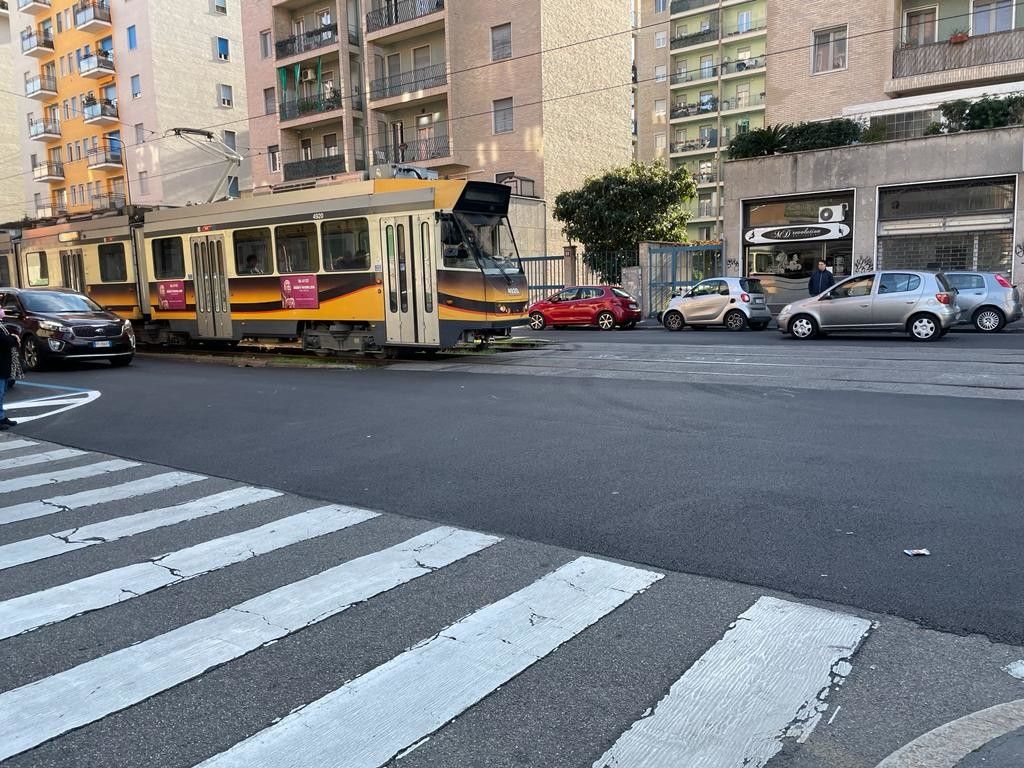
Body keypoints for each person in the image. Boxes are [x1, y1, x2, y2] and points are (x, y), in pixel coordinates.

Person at [0, 310, 20, 430]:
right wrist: (13, 339)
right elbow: (3, 341)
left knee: (1, 393)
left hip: (3, 365)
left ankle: (1, 417)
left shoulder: (2, 325)